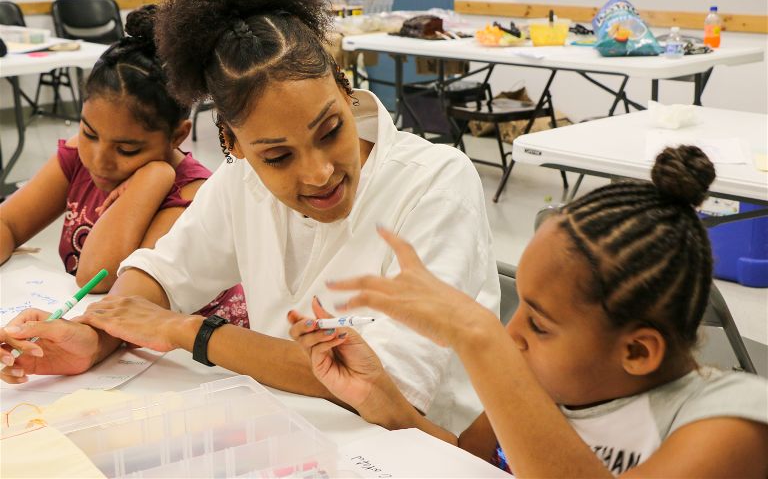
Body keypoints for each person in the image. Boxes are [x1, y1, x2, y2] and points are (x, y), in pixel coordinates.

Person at [0, 0, 498, 431]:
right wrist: (92, 338)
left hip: (419, 449)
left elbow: (382, 385)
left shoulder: (434, 182)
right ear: (233, 146)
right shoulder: (242, 181)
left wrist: (189, 332)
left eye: (330, 131)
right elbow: (161, 273)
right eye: (277, 157)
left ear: (346, 93)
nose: (320, 172)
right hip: (289, 427)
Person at [289, 146, 768, 478]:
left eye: (538, 323)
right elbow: (467, 462)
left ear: (638, 351)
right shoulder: (549, 379)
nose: (511, 333)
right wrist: (380, 399)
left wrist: (479, 338)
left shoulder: (731, 426)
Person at [0, 5, 247, 326]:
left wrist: (153, 178)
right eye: (89, 132)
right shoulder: (79, 156)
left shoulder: (191, 194)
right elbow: (9, 223)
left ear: (177, 137)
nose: (99, 159)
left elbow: (97, 276)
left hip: (186, 360)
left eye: (127, 149)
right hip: (103, 332)